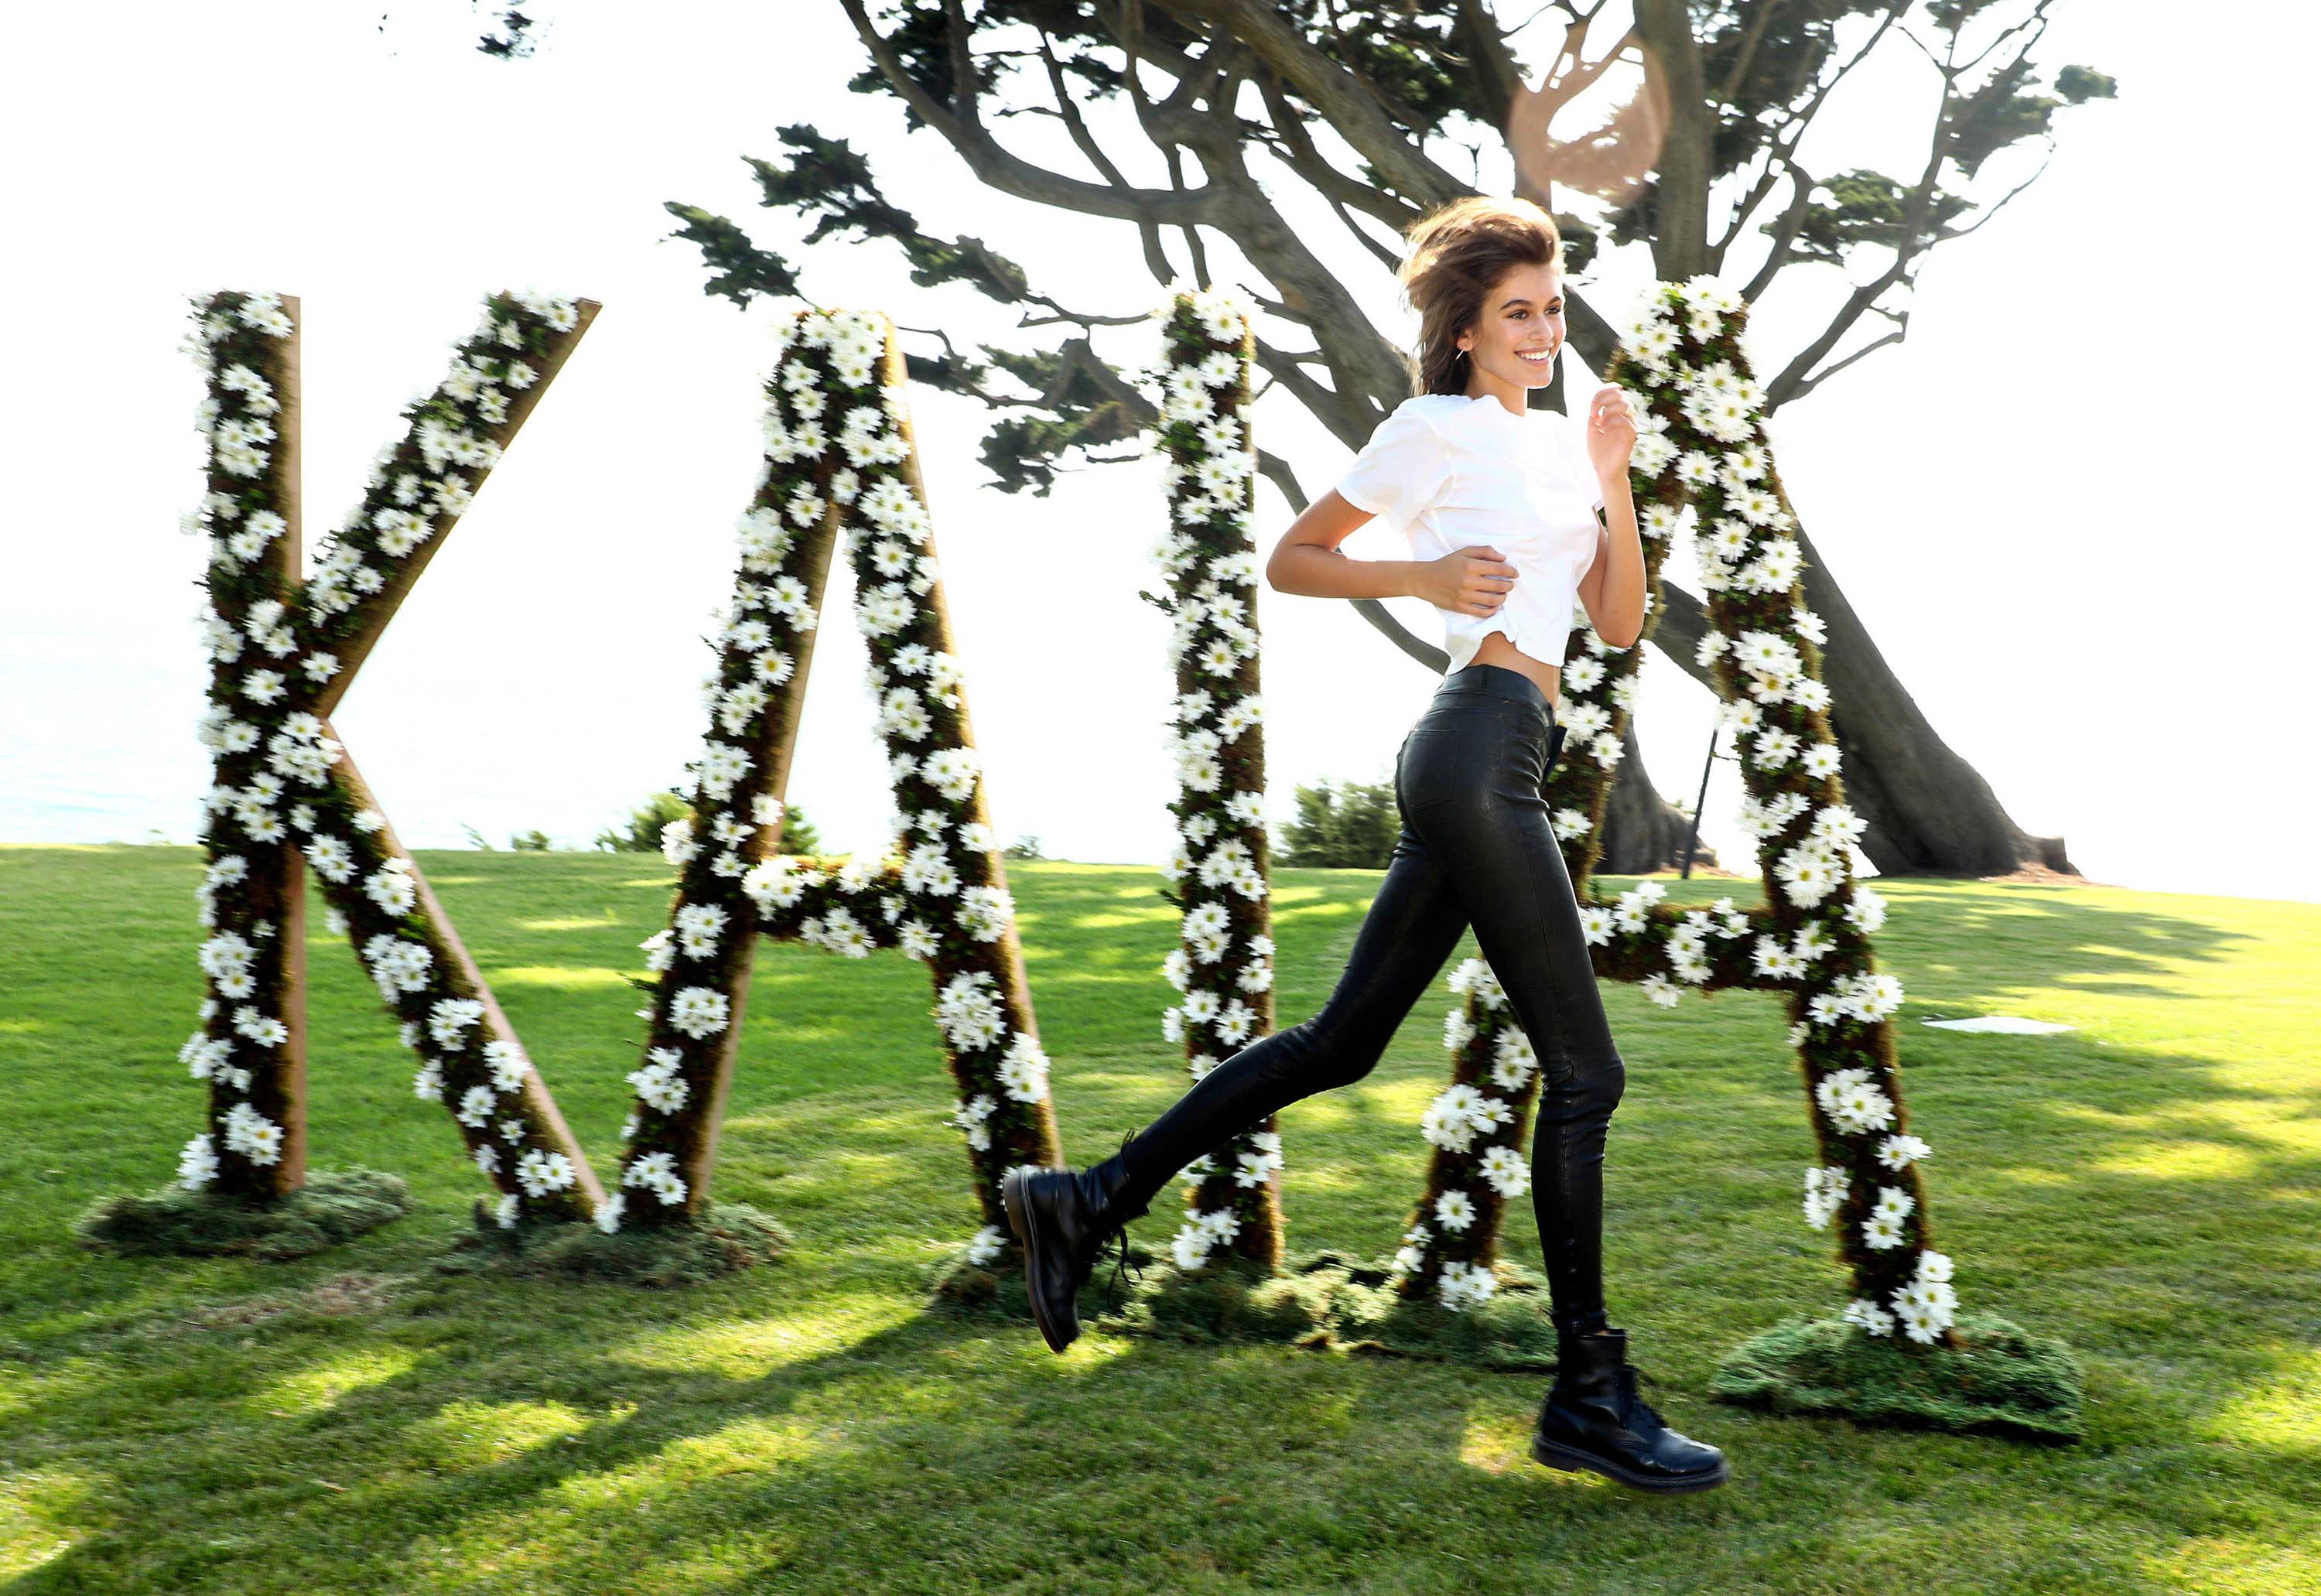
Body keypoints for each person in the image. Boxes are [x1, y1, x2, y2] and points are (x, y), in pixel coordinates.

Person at [1001, 195, 1728, 1494]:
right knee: (1589, 1076)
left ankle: (1087, 1199)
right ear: (1462, 329)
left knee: (1340, 1044)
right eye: (1518, 312)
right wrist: (1425, 580)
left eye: (1553, 309)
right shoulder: (1429, 431)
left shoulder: (1566, 442)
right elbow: (1294, 558)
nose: (1543, 332)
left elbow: (1618, 626)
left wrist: (1615, 482)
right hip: (1475, 743)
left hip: (1506, 750)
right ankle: (1592, 1395)